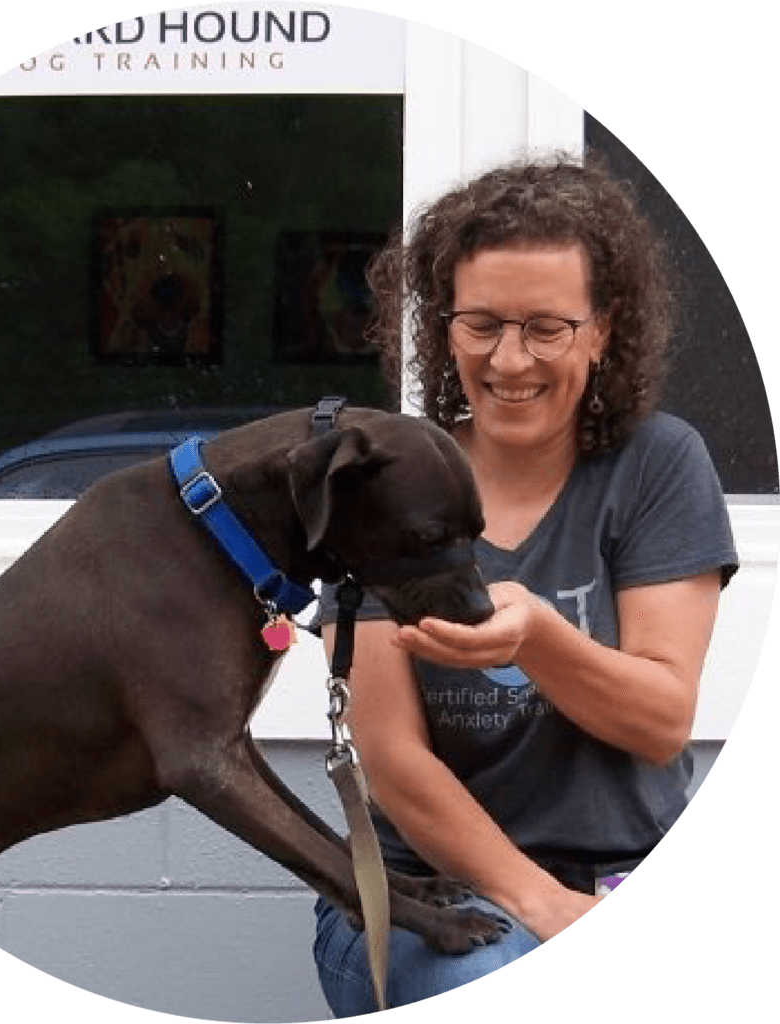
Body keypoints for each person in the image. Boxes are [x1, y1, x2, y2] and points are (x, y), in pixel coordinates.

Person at [311, 156, 739, 1016]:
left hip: (625, 872)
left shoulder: (657, 465)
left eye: (547, 327)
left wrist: (539, 639)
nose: (510, 359)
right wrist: (544, 908)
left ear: (604, 329)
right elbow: (394, 763)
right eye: (481, 324)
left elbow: (660, 723)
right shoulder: (381, 473)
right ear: (443, 326)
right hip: (425, 896)